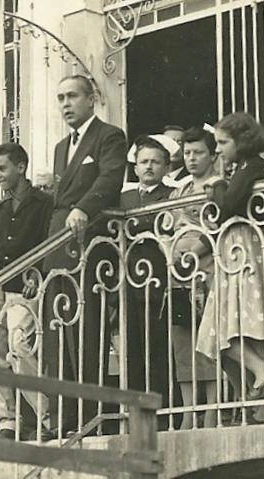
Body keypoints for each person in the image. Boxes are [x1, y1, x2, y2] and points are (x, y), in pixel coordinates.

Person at [43, 74, 127, 432]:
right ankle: (65, 416)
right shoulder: (62, 147)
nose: (65, 104)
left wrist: (84, 208)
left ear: (92, 99)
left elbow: (109, 180)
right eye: (60, 97)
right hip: (58, 242)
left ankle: (89, 416)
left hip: (86, 239)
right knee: (57, 330)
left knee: (86, 327)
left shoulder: (109, 136)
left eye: (72, 96)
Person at [195, 113, 264, 402]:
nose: (217, 149)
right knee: (225, 327)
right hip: (235, 251)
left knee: (231, 327)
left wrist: (219, 185)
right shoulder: (244, 167)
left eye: (222, 142)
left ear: (241, 141)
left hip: (244, 251)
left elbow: (226, 207)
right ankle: (261, 379)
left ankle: (263, 376)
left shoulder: (252, 166)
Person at [0, 142, 56, 440]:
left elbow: (46, 243)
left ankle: (46, 417)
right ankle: (6, 421)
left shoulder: (44, 203)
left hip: (27, 288)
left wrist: (33, 270)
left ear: (20, 167)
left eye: (1, 169)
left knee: (20, 347)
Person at [118, 137, 177, 430]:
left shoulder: (173, 193)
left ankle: (163, 414)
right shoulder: (125, 198)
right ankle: (136, 415)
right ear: (135, 166)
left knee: (158, 347)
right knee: (133, 349)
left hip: (158, 280)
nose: (149, 166)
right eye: (144, 161)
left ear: (166, 166)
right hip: (129, 280)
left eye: (155, 161)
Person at [166, 126, 220, 429]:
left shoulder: (216, 186)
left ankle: (212, 408)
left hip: (207, 270)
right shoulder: (180, 189)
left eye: (198, 152)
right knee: (182, 342)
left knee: (208, 341)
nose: (192, 158)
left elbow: (216, 227)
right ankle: (189, 411)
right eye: (187, 152)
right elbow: (168, 226)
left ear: (212, 154)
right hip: (179, 275)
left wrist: (194, 254)